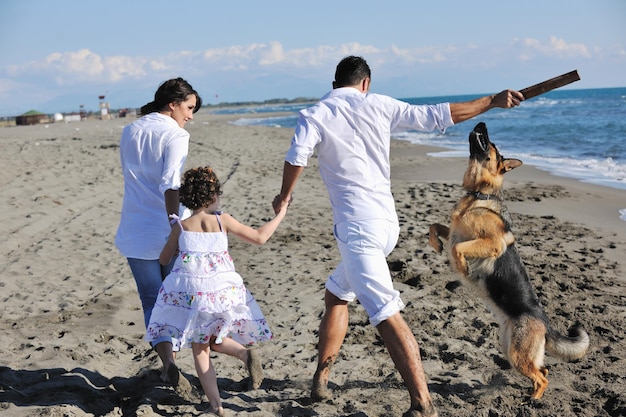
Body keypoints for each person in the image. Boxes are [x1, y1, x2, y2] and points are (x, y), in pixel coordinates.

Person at [272, 55, 524, 417]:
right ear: (365, 83)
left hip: (358, 231)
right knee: (336, 294)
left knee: (386, 313)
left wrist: (284, 195)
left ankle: (422, 403)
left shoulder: (316, 113)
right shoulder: (380, 104)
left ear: (334, 84)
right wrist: (492, 101)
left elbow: (297, 156)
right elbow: (441, 115)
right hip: (387, 225)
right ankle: (320, 381)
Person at [147, 166, 289, 416]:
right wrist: (281, 214)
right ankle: (246, 355)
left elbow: (163, 259)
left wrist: (178, 243)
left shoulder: (182, 226)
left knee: (201, 348)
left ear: (187, 198)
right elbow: (259, 237)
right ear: (213, 196)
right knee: (214, 337)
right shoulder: (223, 220)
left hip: (194, 292)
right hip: (224, 291)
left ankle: (217, 405)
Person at [115, 77, 202, 391]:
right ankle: (174, 361)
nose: (190, 115)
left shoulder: (130, 130)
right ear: (173, 104)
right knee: (175, 297)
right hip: (166, 229)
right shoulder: (176, 134)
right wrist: (174, 224)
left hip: (134, 229)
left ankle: (169, 364)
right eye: (189, 108)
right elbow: (170, 183)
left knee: (151, 299)